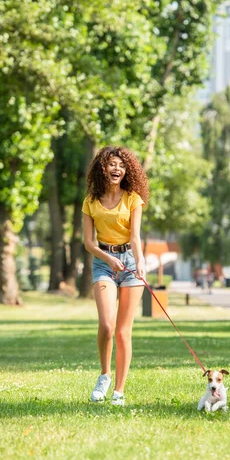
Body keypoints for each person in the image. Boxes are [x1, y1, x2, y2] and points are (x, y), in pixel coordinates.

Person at [82, 146, 149, 406]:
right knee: (107, 325)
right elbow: (89, 242)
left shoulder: (133, 198)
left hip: (131, 263)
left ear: (127, 170)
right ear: (102, 168)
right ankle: (104, 376)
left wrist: (140, 263)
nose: (116, 169)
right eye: (111, 164)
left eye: (121, 165)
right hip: (103, 263)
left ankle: (119, 392)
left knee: (123, 331)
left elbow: (135, 237)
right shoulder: (90, 200)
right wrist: (108, 259)